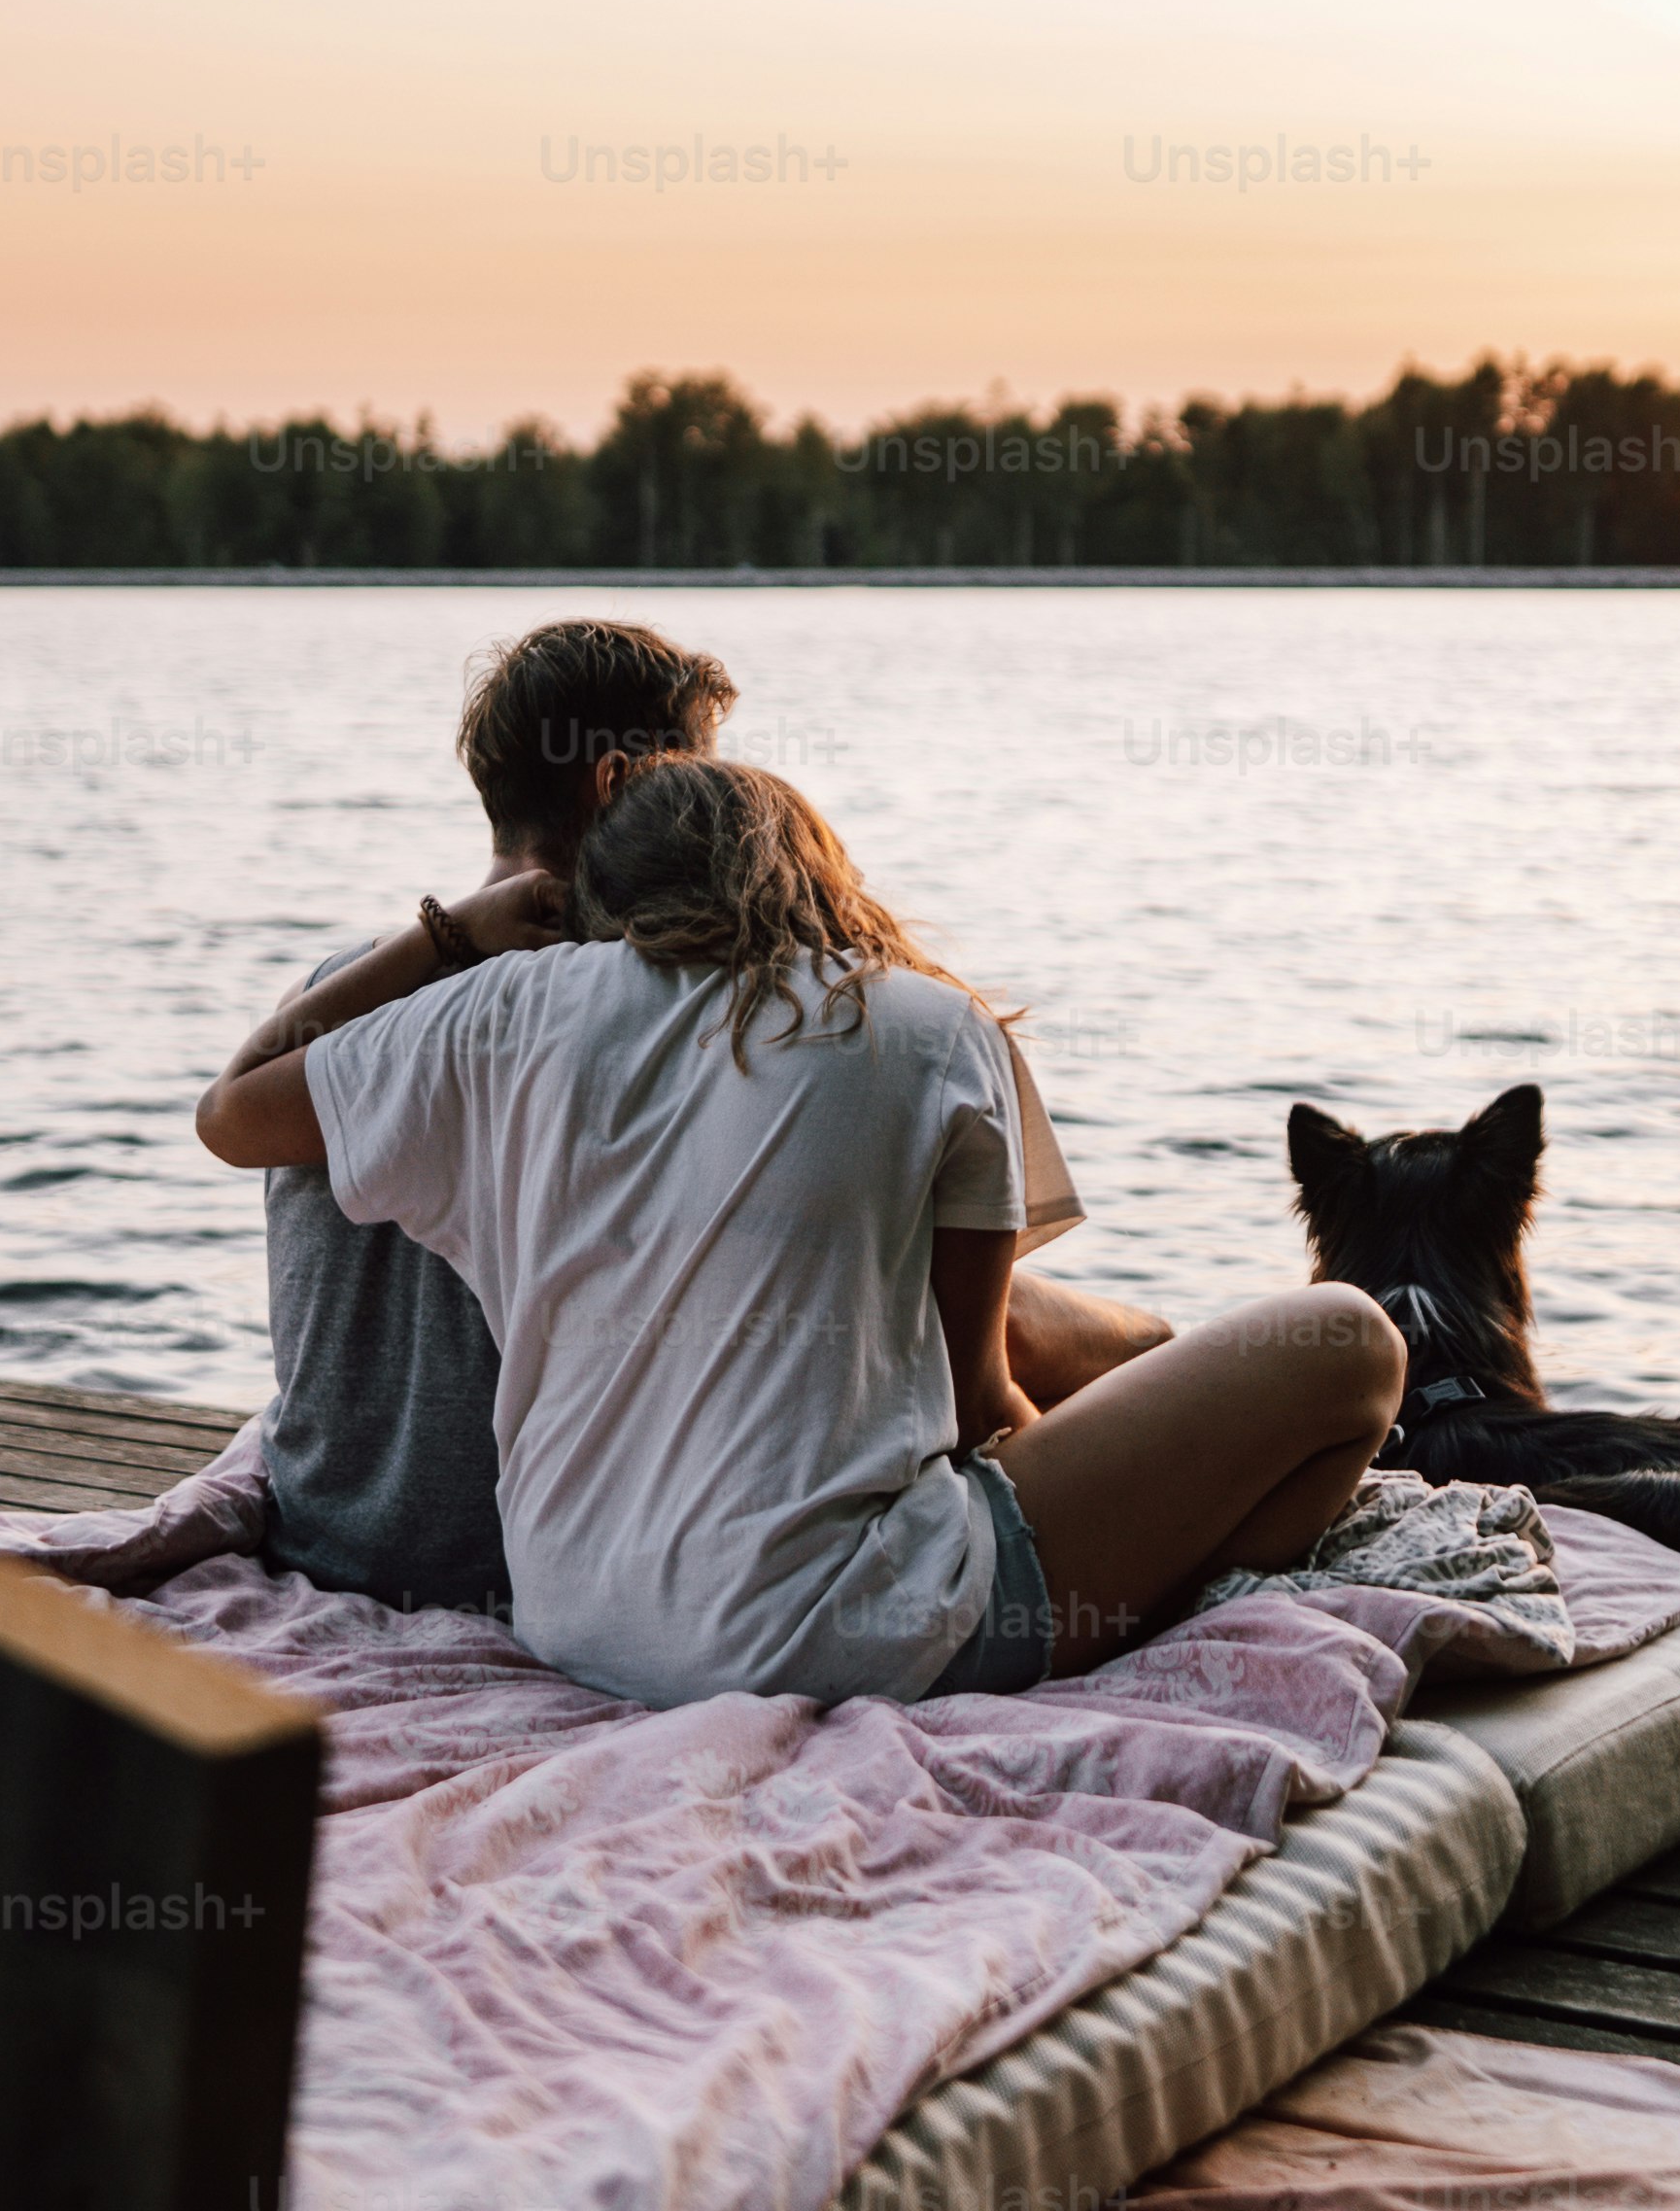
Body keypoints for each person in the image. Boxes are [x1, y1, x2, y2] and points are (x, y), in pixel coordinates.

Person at [194, 753, 1402, 1706]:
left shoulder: (499, 1011)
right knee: (1350, 1343)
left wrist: (450, 935)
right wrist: (1128, 1504)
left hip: (572, 1620)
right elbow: (984, 1405)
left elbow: (233, 1107)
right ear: (818, 874)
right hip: (836, 1637)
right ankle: (1165, 1610)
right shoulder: (929, 1027)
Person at [239, 620, 1158, 1615]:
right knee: (978, 1310)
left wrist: (438, 934)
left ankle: (1172, 1373)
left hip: (326, 1524)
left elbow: (231, 1114)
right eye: (704, 768)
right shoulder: (611, 1009)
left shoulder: (340, 999)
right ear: (620, 784)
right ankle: (1184, 1391)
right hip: (512, 1550)